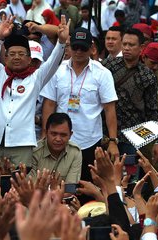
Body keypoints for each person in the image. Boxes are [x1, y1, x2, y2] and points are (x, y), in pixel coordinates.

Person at [0, 15, 68, 186]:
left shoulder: (36, 78)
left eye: (21, 54)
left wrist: (62, 43)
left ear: (29, 59)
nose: (16, 57)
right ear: (5, 58)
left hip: (21, 144)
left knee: (19, 190)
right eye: (12, 54)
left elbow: (53, 63)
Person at [41, 27, 118, 181]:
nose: (78, 52)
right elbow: (49, 104)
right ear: (69, 47)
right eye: (75, 47)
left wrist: (112, 141)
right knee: (57, 185)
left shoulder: (102, 73)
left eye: (83, 48)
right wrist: (45, 135)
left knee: (86, 187)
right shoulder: (57, 70)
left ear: (92, 49)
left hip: (89, 141)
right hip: (59, 140)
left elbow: (109, 109)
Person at [102, 28, 158, 157]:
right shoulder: (107, 66)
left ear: (141, 48)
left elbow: (152, 110)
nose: (126, 48)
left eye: (131, 45)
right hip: (105, 134)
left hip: (133, 136)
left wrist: (157, 141)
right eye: (124, 44)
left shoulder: (148, 75)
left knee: (130, 175)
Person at [30, 113, 82, 183]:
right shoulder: (34, 152)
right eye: (54, 134)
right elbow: (31, 187)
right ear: (46, 133)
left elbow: (70, 188)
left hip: (64, 194)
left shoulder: (75, 152)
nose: (58, 139)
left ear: (70, 135)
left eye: (63, 135)